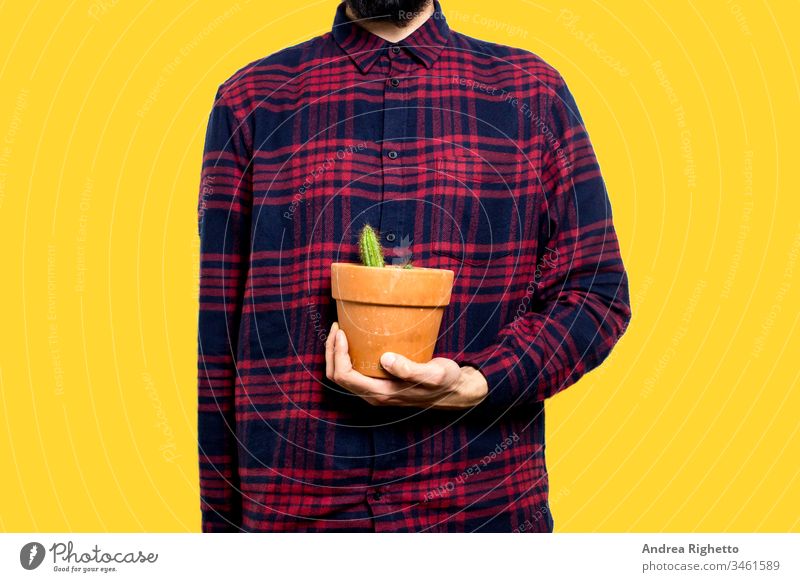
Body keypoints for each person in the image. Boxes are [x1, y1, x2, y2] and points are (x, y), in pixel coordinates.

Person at [197, 0, 631, 532]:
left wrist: (478, 381)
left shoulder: (530, 91)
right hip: (300, 519)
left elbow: (595, 292)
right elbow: (219, 345)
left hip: (481, 517)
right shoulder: (252, 101)